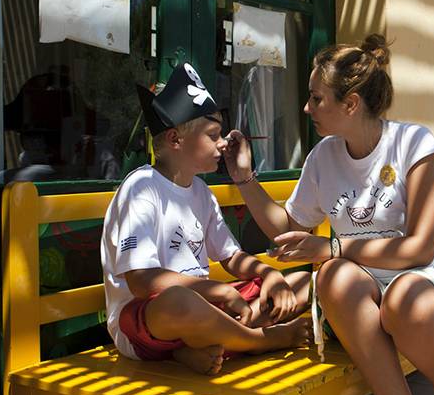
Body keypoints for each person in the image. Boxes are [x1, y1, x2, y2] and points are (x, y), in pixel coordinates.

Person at [222, 34, 434, 395]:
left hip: (425, 278)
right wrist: (245, 179)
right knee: (332, 275)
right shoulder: (323, 156)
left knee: (404, 300)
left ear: (351, 104)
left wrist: (335, 245)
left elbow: (419, 247)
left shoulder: (413, 146)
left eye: (315, 97)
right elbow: (290, 228)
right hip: (361, 286)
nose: (306, 108)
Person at [99, 63, 311, 376]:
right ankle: (259, 340)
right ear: (175, 139)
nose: (223, 143)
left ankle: (199, 348)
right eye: (213, 136)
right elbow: (142, 282)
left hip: (205, 312)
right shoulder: (142, 188)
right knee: (181, 303)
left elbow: (232, 256)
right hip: (148, 321)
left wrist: (270, 276)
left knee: (304, 283)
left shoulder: (200, 190)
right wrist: (221, 292)